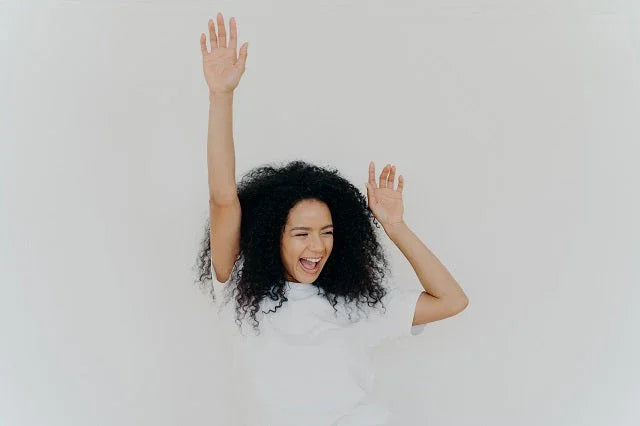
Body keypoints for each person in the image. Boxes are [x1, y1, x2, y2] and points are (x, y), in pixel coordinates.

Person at [195, 12, 469, 426]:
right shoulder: (239, 293)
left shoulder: (356, 304)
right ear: (273, 237)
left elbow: (451, 301)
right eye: (302, 233)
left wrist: (395, 227)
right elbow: (222, 199)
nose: (318, 245)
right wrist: (221, 98)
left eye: (327, 232)